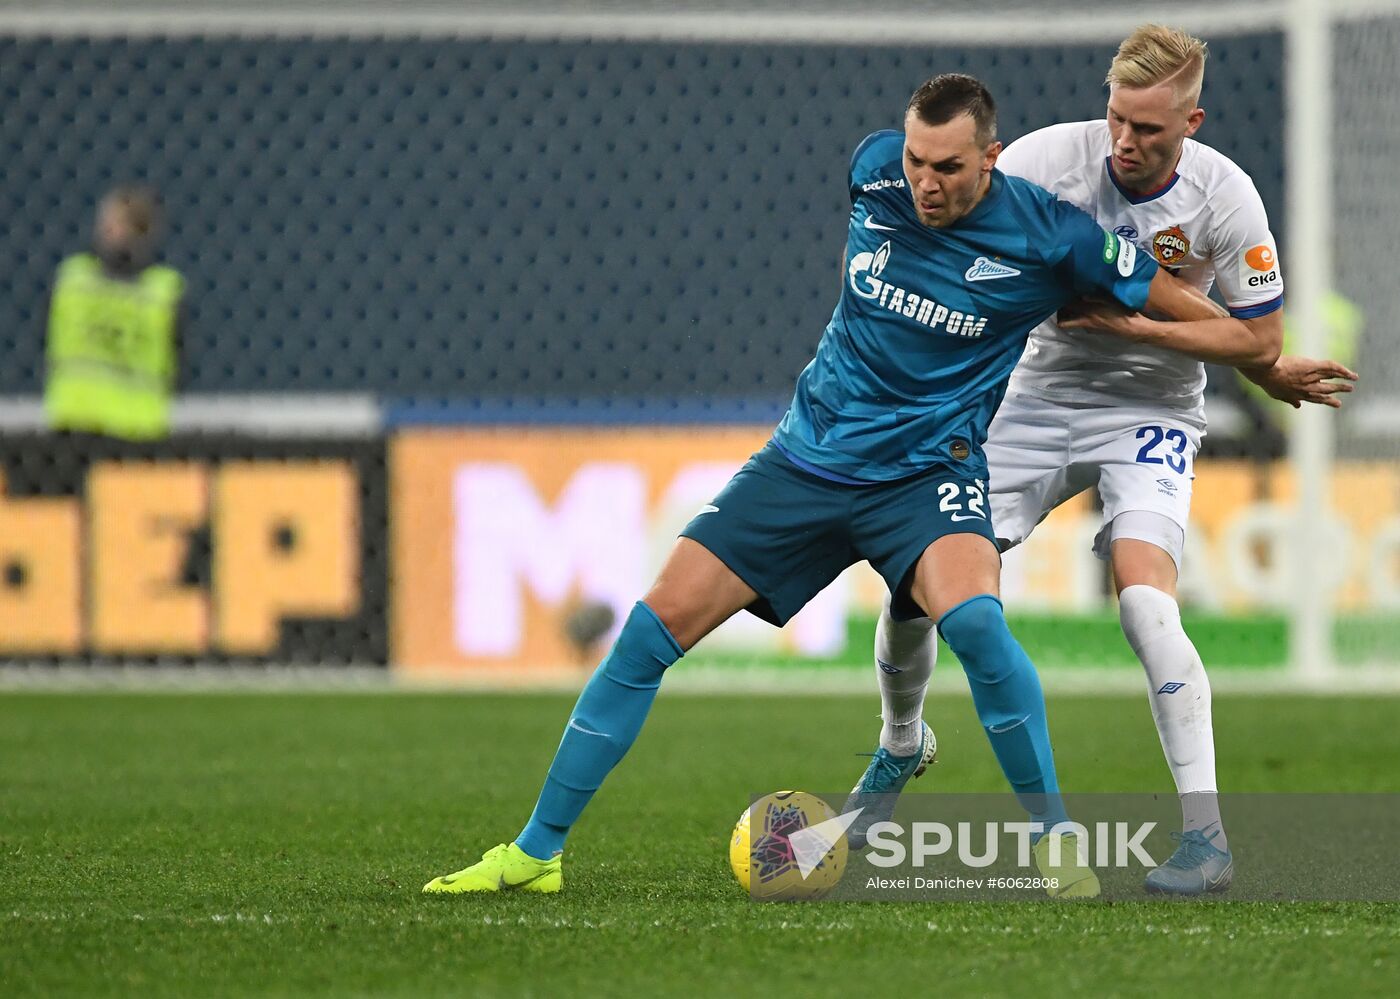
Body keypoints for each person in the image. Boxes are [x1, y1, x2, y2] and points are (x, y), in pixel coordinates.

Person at [423, 72, 1240, 900]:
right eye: (918, 160)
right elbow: (894, 186)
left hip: (927, 476)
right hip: (804, 463)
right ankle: (536, 853)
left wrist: (1267, 358)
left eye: (950, 167)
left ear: (992, 159)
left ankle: (1055, 840)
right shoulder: (873, 171)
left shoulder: (1054, 236)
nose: (927, 180)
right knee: (648, 633)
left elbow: (1186, 306)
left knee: (980, 629)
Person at [861, 25, 1357, 896]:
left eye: (1151, 130)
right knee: (914, 586)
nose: (1127, 142)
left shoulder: (1225, 198)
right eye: (1118, 119)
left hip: (1152, 408)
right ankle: (901, 742)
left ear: (1191, 122)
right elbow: (954, 233)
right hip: (1033, 399)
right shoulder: (1050, 160)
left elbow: (1259, 332)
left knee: (1146, 606)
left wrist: (1153, 332)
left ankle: (1206, 837)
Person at [45, 185, 185, 441]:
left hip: (135, 429)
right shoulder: (74, 279)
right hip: (80, 423)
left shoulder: (164, 291)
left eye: (113, 223)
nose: (104, 230)